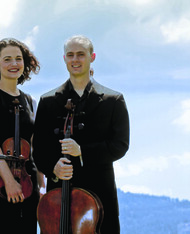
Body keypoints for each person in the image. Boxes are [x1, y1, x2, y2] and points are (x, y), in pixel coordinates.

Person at [33, 35, 130, 234]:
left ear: (92, 57)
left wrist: (82, 151)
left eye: (81, 54)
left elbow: (120, 145)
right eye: (70, 55)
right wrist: (53, 168)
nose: (75, 60)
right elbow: (39, 150)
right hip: (59, 197)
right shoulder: (48, 101)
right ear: (64, 59)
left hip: (100, 192)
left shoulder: (113, 100)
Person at [0, 38, 44, 234]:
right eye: (7, 59)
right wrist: (9, 181)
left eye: (18, 59)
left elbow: (35, 148)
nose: (14, 64)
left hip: (28, 183)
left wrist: (41, 185)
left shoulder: (30, 101)